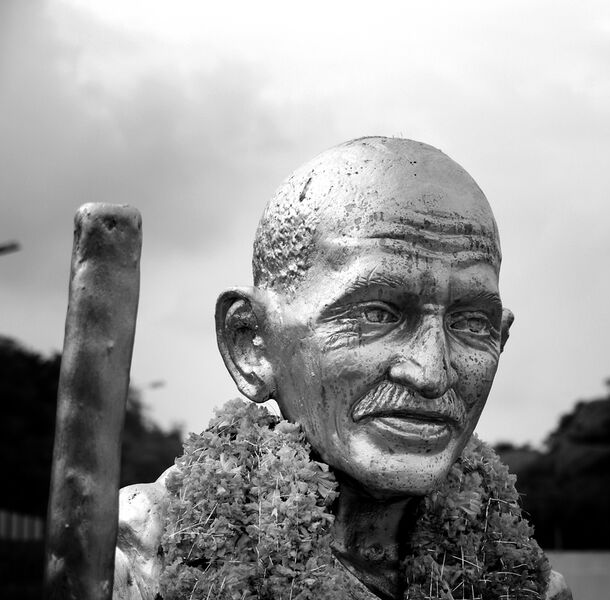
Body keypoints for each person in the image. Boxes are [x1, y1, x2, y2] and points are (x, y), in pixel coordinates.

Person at [114, 137, 571, 600]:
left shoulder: (520, 584)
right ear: (251, 343)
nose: (432, 373)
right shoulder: (143, 560)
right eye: (377, 314)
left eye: (471, 322)